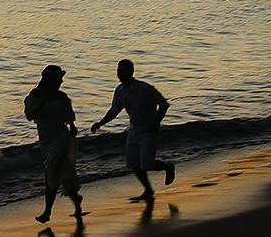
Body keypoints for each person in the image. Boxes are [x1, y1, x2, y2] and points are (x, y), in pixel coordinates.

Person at [91, 59, 174, 201]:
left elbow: (164, 105)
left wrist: (155, 123)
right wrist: (100, 123)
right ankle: (148, 189)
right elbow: (114, 110)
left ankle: (168, 166)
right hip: (134, 129)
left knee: (147, 164)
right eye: (118, 71)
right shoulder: (120, 90)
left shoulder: (145, 89)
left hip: (149, 129)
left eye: (122, 71)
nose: (119, 74)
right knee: (134, 163)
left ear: (131, 72)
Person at [24, 65, 83, 223]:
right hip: (46, 140)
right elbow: (30, 116)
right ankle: (76, 199)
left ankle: (47, 212)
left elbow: (69, 117)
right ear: (49, 80)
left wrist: (72, 127)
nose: (61, 81)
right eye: (58, 79)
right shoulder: (35, 96)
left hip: (62, 137)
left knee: (51, 171)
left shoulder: (61, 96)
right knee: (61, 172)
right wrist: (42, 102)